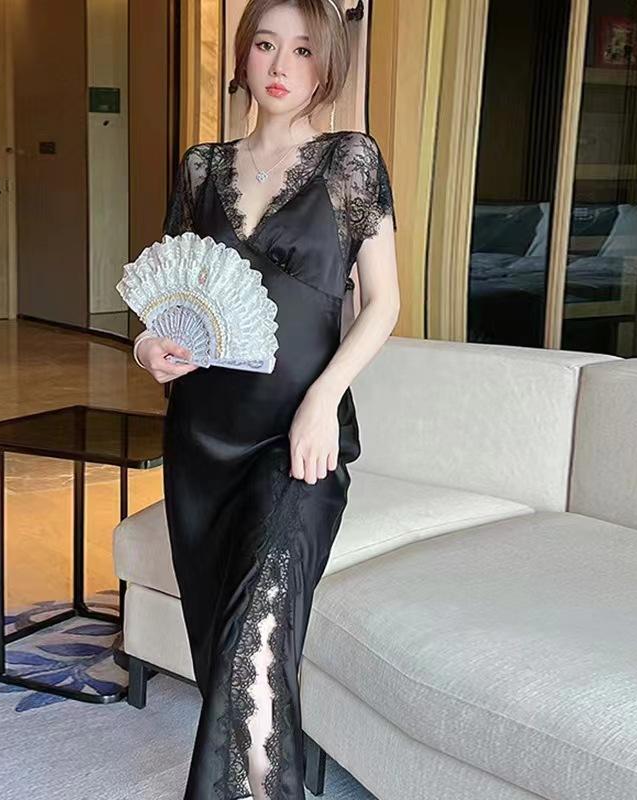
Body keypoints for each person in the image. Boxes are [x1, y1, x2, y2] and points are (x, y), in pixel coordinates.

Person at [132, 1, 399, 797]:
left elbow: (383, 303)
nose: (282, 65)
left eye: (304, 50)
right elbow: (167, 294)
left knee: (256, 639)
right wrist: (148, 347)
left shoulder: (350, 161)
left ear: (328, 64)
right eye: (266, 44)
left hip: (299, 442)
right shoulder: (200, 168)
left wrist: (324, 400)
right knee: (227, 651)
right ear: (244, 56)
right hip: (201, 441)